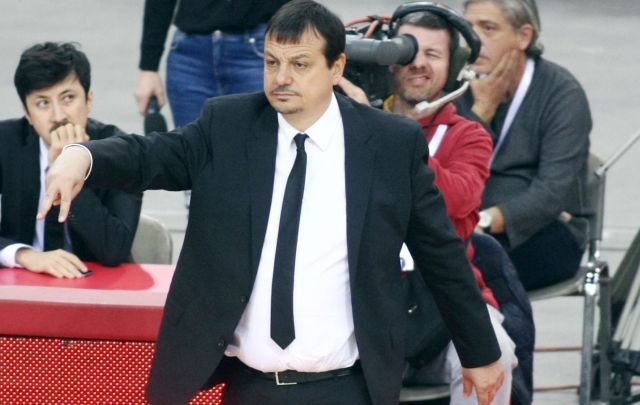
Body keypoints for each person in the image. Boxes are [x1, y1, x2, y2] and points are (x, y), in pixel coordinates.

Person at [42, 2, 505, 404]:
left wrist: (480, 353)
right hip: (249, 386)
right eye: (271, 62)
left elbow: (440, 253)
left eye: (300, 64)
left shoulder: (389, 144)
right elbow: (151, 155)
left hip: (348, 387)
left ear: (337, 68)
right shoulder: (228, 125)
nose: (282, 78)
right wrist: (82, 156)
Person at [340, 7, 517, 404]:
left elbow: (455, 200)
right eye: (407, 51)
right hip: (362, 307)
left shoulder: (468, 136)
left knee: (499, 356)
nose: (418, 63)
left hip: (445, 308)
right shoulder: (345, 125)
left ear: (453, 66)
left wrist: (383, 132)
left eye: (433, 55)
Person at [457, 0, 592, 291]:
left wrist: (485, 220)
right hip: (469, 225)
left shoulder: (561, 94)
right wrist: (481, 111)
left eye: (488, 28)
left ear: (524, 36)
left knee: (466, 263)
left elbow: (550, 194)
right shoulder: (459, 85)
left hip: (547, 232)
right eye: (468, 28)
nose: (474, 40)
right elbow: (451, 163)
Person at [0, 42, 142, 279]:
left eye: (68, 98)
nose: (58, 116)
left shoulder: (121, 151)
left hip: (98, 287)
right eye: (43, 103)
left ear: (89, 100)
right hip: (22, 284)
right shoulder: (6, 142)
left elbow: (114, 249)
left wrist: (69, 171)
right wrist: (24, 254)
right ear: (27, 113)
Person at [134, 0, 291, 208]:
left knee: (261, 174)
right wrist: (149, 67)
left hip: (259, 47)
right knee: (196, 179)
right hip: (190, 52)